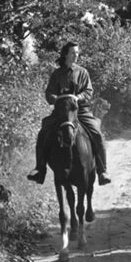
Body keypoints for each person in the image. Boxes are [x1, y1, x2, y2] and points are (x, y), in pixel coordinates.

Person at [27, 41, 112, 186]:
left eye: (77, 53)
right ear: (65, 54)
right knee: (44, 132)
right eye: (73, 53)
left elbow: (88, 91)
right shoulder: (57, 74)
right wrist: (56, 98)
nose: (76, 55)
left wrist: (78, 97)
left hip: (80, 110)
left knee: (97, 133)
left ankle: (102, 171)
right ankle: (39, 169)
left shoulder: (83, 72)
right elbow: (49, 92)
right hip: (61, 112)